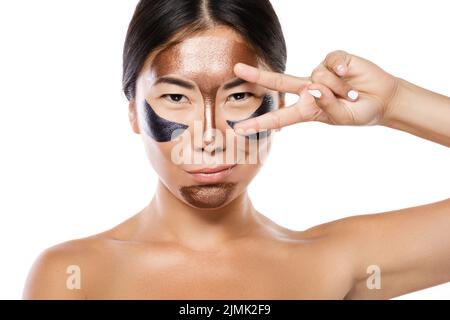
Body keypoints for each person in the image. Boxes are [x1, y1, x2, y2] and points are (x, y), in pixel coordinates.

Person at [23, 0, 450, 299]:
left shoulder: (334, 261)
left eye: (240, 97)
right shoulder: (73, 276)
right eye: (175, 98)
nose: (209, 136)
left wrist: (395, 102)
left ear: (279, 102)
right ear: (134, 112)